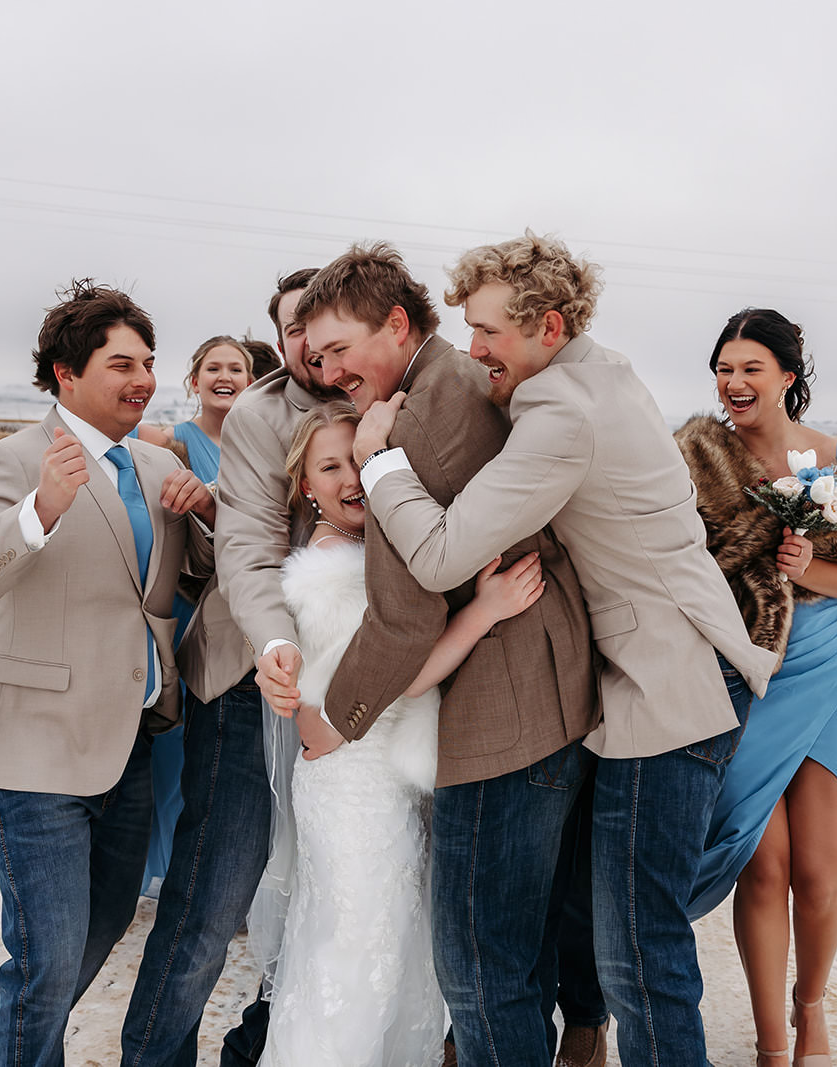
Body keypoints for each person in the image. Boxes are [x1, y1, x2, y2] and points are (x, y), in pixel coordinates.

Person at [351, 233, 778, 1067]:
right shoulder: (600, 369)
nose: (474, 352)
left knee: (637, 954)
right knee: (624, 941)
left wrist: (378, 465)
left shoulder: (562, 412)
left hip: (668, 684)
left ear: (549, 326)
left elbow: (441, 555)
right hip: (682, 662)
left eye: (489, 335)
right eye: (468, 331)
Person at [262, 242, 598, 1067]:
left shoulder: (412, 420)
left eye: (340, 349)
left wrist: (331, 720)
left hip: (505, 712)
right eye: (316, 358)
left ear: (398, 323)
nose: (330, 369)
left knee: (479, 969)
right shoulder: (450, 383)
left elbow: (406, 616)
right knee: (495, 950)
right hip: (535, 694)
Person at [0, 280, 215, 1067]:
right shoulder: (11, 458)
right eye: (123, 361)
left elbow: (186, 586)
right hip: (29, 747)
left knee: (105, 920)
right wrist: (39, 511)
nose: (144, 377)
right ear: (66, 372)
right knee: (49, 959)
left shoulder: (160, 469)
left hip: (128, 741)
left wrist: (208, 517)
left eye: (150, 361)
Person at [253, 402, 547, 1066]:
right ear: (304, 484)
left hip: (377, 776)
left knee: (377, 952)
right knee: (357, 959)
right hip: (353, 785)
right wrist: (486, 610)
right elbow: (402, 676)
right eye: (331, 466)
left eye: (361, 460)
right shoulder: (333, 570)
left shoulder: (368, 551)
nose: (352, 478)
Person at [675, 309, 837, 1067]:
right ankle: (773, 1041)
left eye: (750, 368)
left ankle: (813, 1011)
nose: (733, 383)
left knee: (817, 867)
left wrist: (807, 570)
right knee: (763, 860)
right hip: (742, 675)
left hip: (828, 672)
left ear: (788, 376)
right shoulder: (697, 457)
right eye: (724, 369)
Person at [120, 269, 343, 1067]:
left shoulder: (391, 399)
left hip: (358, 690)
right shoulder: (257, 412)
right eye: (292, 329)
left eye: (323, 327)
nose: (308, 343)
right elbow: (245, 551)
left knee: (336, 890)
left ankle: (259, 1047)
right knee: (213, 897)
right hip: (250, 678)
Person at [138, 335, 255, 896]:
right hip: (188, 606)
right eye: (214, 367)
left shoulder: (260, 443)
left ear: (253, 381)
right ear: (194, 380)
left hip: (242, 610)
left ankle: (216, 868)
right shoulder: (166, 442)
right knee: (172, 740)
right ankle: (161, 864)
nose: (225, 376)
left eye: (237, 367)